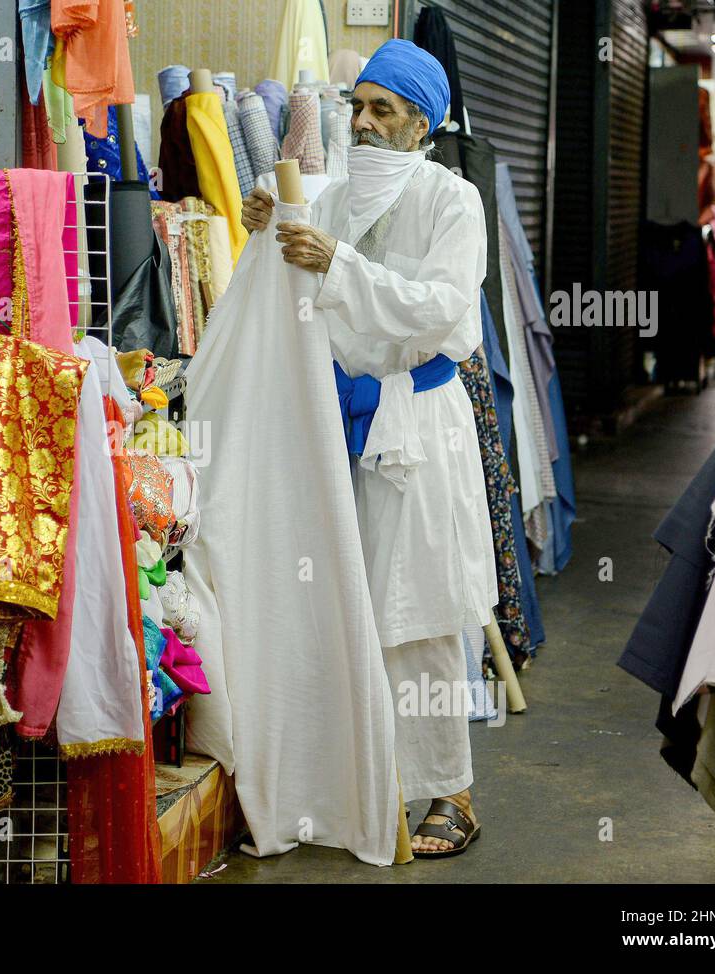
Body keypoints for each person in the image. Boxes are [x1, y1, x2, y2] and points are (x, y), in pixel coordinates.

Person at [240, 38, 497, 857]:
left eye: (382, 109)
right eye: (358, 106)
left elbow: (439, 306)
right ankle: (364, 778)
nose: (363, 121)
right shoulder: (341, 194)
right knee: (342, 602)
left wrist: (340, 265)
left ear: (419, 121)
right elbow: (294, 242)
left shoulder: (452, 201)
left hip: (416, 429)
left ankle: (450, 792)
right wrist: (265, 221)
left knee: (415, 613)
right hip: (341, 423)